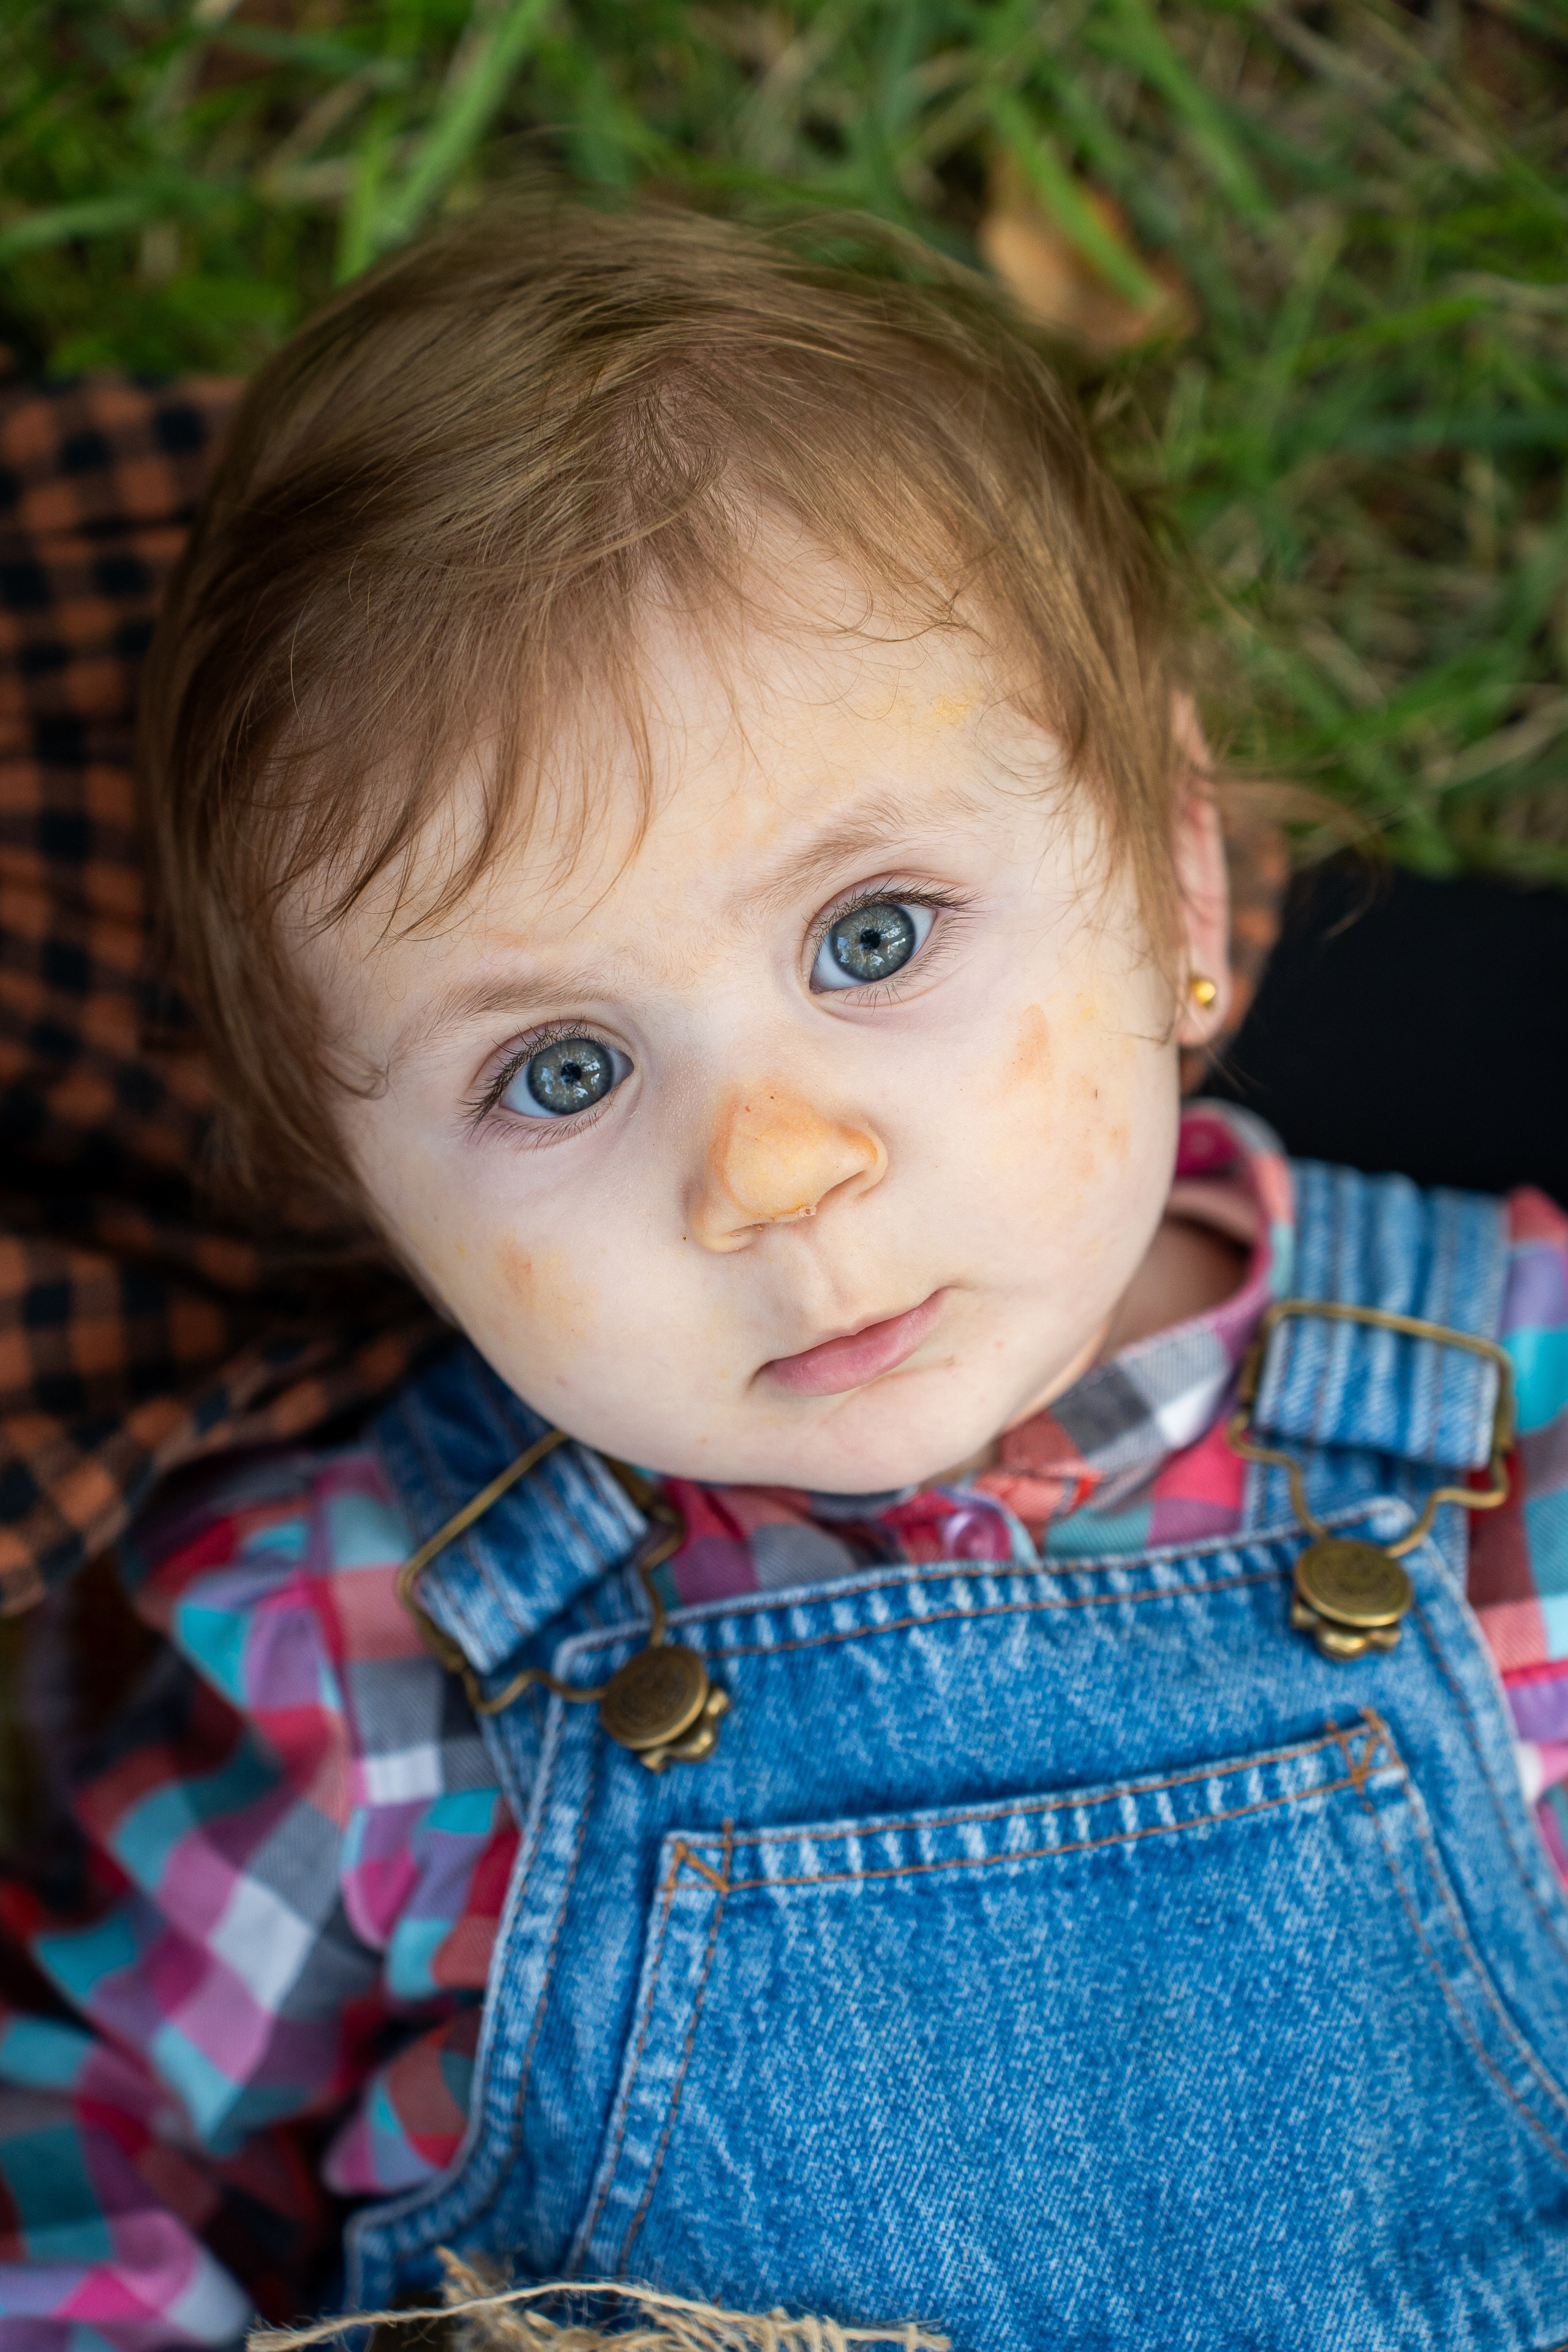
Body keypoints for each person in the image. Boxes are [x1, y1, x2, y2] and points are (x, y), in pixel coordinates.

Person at [3, 196, 1568, 2352]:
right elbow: (98, 2151)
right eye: (556, 1069)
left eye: (875, 938)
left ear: (1179, 870)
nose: (775, 1170)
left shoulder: (1524, 1415)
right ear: (356, 1186)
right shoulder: (349, 1638)